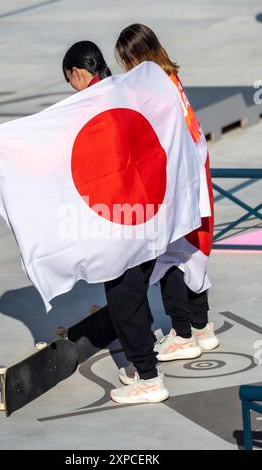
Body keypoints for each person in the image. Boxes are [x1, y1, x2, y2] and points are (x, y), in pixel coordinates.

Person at [62, 40, 170, 404]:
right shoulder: (126, 92)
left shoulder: (91, 107)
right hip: (147, 213)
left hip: (119, 221)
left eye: (70, 81)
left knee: (123, 300)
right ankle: (144, 365)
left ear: (79, 73)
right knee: (136, 292)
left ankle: (150, 379)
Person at [114, 24, 219, 385]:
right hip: (196, 169)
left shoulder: (153, 87)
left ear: (136, 56)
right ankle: (202, 326)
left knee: (171, 255)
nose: (126, 68)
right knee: (193, 252)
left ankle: (183, 334)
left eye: (127, 61)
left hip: (179, 177)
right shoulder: (170, 77)